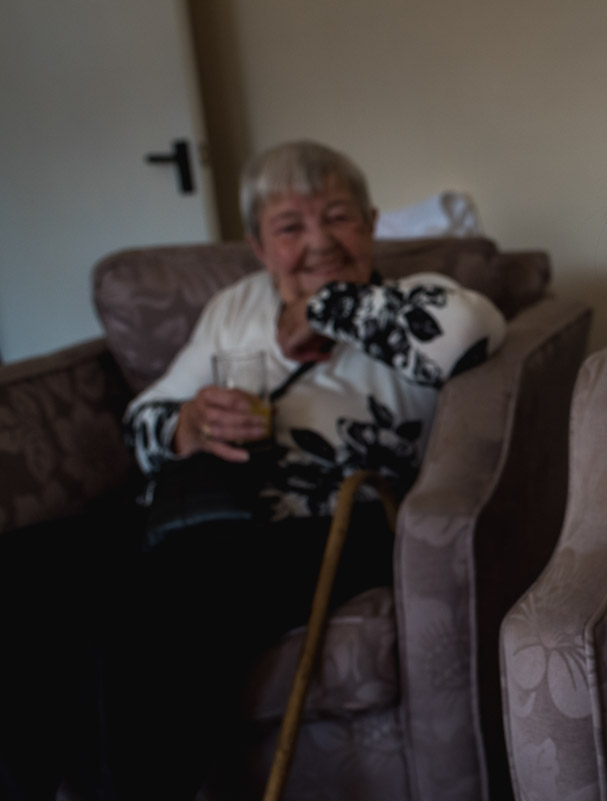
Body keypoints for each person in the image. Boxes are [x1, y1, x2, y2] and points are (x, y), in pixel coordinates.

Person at [87, 140, 507, 800]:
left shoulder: (413, 301)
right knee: (31, 573)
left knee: (163, 598)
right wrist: (186, 422)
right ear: (257, 245)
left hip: (344, 519)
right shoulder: (235, 308)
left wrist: (321, 306)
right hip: (214, 507)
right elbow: (145, 420)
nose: (319, 241)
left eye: (337, 217)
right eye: (290, 227)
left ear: (369, 224)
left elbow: (467, 336)